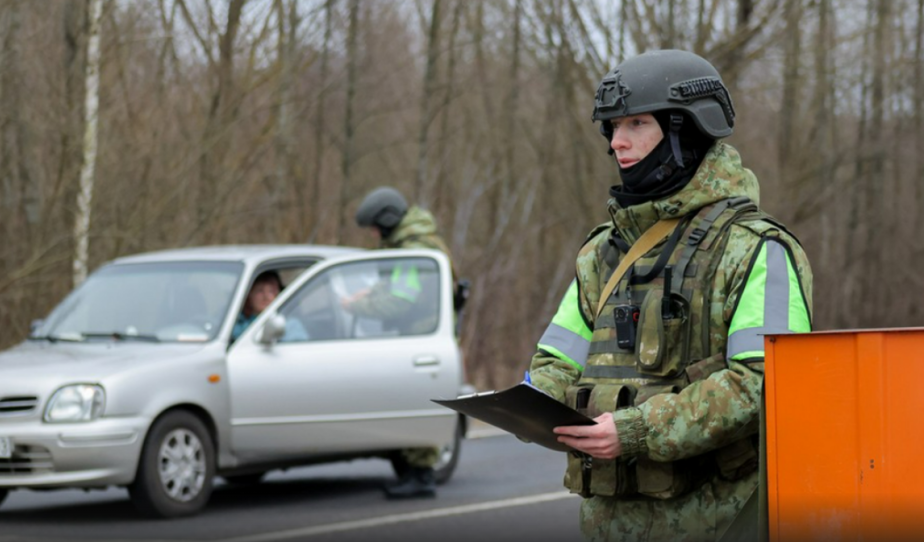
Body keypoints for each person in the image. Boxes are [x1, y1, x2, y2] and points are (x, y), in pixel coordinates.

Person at [526, 49, 813, 541]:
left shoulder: (757, 249)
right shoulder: (602, 252)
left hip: (724, 521)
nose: (618, 142)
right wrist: (527, 406)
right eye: (612, 127)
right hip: (609, 525)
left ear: (688, 129)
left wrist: (637, 430)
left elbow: (765, 385)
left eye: (636, 123)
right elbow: (555, 359)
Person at [348, 186, 455, 499]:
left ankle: (421, 476)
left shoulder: (414, 250)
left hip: (422, 339)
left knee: (419, 400)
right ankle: (411, 471)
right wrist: (369, 294)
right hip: (421, 336)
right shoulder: (416, 243)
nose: (373, 235)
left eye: (375, 228)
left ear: (388, 221)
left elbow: (398, 301)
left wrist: (352, 305)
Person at [232, 271, 308, 342]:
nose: (266, 297)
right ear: (249, 295)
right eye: (260, 290)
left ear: (279, 295)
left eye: (271, 291)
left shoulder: (290, 325)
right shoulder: (234, 323)